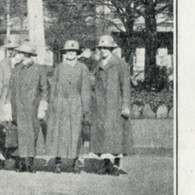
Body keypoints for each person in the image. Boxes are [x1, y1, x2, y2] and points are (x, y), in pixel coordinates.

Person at [46, 40, 91, 174]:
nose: (71, 53)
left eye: (74, 51)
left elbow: (86, 89)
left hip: (76, 104)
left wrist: (85, 107)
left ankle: (75, 161)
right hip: (60, 104)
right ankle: (58, 162)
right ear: (65, 53)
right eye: (68, 51)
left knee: (75, 133)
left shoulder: (83, 68)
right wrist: (52, 104)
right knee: (59, 132)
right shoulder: (59, 68)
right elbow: (53, 87)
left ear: (77, 54)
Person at [91, 35, 133, 176]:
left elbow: (126, 86)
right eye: (101, 48)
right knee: (103, 135)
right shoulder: (98, 65)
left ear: (112, 49)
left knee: (116, 135)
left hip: (115, 104)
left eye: (106, 48)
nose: (103, 50)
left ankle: (116, 166)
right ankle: (106, 165)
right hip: (101, 105)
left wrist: (126, 105)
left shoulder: (120, 64)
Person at [10, 41, 49, 173]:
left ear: (26, 54)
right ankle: (22, 162)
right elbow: (12, 89)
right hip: (18, 107)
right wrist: (10, 107)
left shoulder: (39, 69)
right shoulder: (16, 69)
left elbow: (45, 90)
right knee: (20, 134)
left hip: (33, 107)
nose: (18, 55)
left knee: (32, 134)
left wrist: (42, 107)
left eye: (20, 53)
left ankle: (31, 163)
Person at [0, 35, 21, 170]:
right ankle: (3, 157)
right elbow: (0, 83)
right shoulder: (4, 63)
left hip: (19, 101)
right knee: (3, 129)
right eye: (9, 49)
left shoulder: (23, 63)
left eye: (13, 48)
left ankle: (17, 157)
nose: (10, 51)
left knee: (17, 128)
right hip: (5, 100)